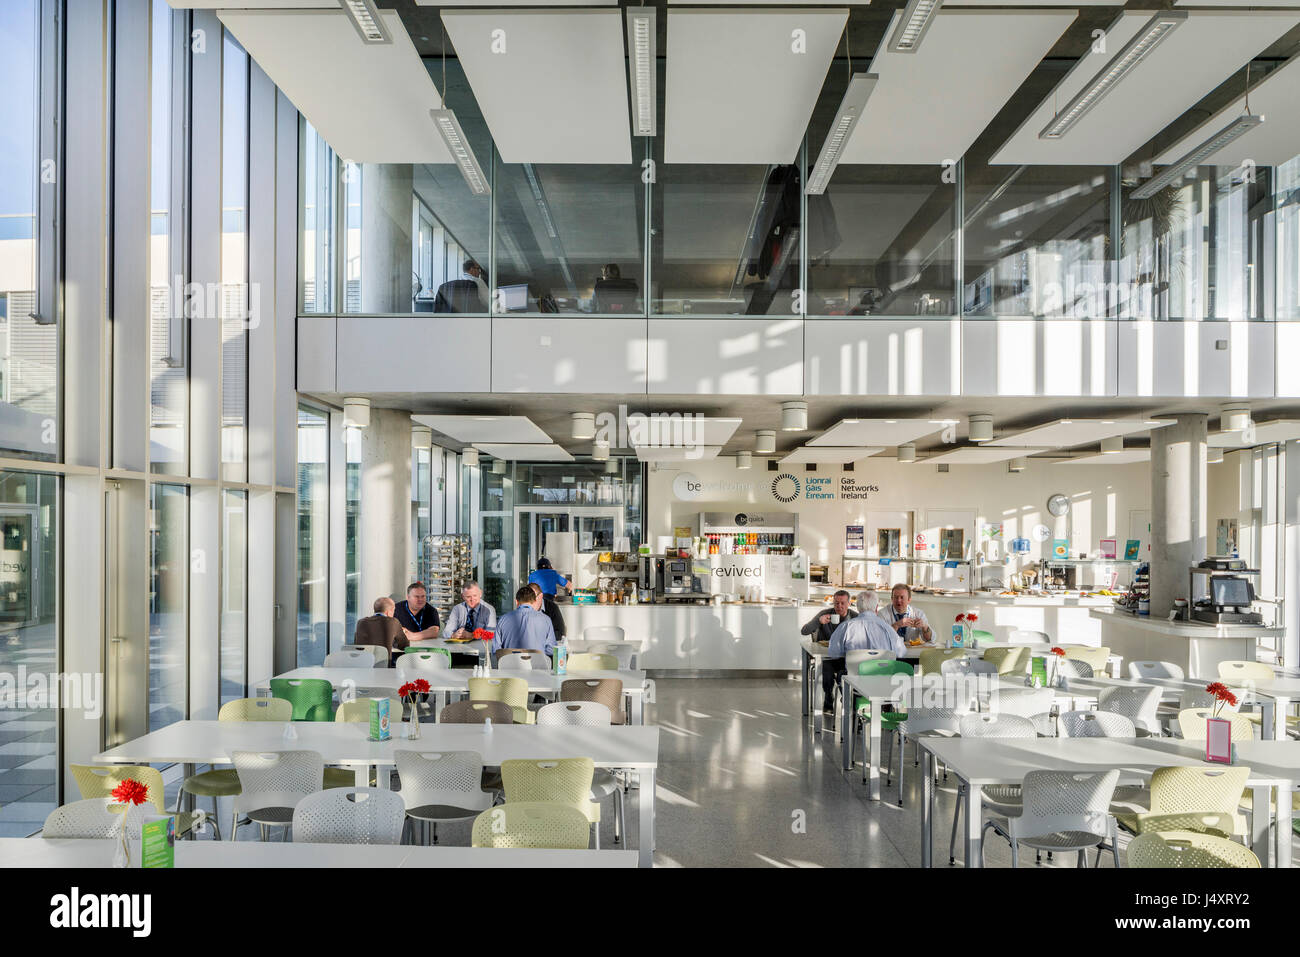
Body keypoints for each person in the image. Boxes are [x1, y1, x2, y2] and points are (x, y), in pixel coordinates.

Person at [822, 613, 908, 713]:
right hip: (883, 684)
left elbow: (834, 654)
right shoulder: (888, 628)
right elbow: (901, 653)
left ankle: (852, 708)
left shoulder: (846, 626)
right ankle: (885, 709)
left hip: (855, 685)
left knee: (843, 673)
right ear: (876, 608)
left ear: (858, 608)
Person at [491, 585, 557, 661]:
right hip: (538, 668)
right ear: (535, 601)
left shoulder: (503, 619)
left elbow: (496, 650)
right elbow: (551, 650)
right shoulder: (546, 619)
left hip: (509, 668)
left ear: (516, 602)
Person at [353, 596, 408, 666]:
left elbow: (357, 644)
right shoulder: (393, 622)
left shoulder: (361, 622)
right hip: (383, 667)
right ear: (389, 612)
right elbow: (404, 645)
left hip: (363, 666)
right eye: (394, 610)